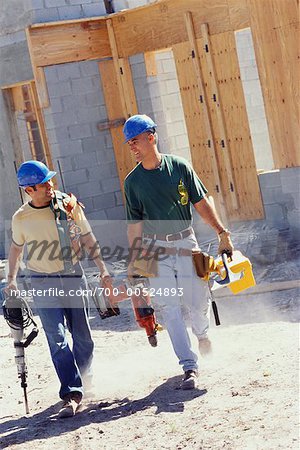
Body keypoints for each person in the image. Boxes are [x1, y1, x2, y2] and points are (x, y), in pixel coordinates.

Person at [123, 115, 234, 390]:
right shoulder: (132, 182)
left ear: (151, 136)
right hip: (154, 249)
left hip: (186, 242)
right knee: (170, 309)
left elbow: (201, 203)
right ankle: (189, 366)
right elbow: (134, 225)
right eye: (129, 144)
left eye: (135, 141)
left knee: (197, 300)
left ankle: (202, 333)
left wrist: (222, 233)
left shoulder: (180, 167)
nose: (132, 147)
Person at [5, 160, 112, 418]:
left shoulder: (68, 206)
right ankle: (72, 393)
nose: (51, 186)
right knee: (57, 338)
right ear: (29, 190)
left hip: (73, 276)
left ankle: (85, 377)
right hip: (42, 281)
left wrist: (103, 268)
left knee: (83, 337)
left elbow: (87, 237)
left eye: (50, 180)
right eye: (43, 184)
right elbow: (17, 248)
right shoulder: (21, 218)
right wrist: (11, 279)